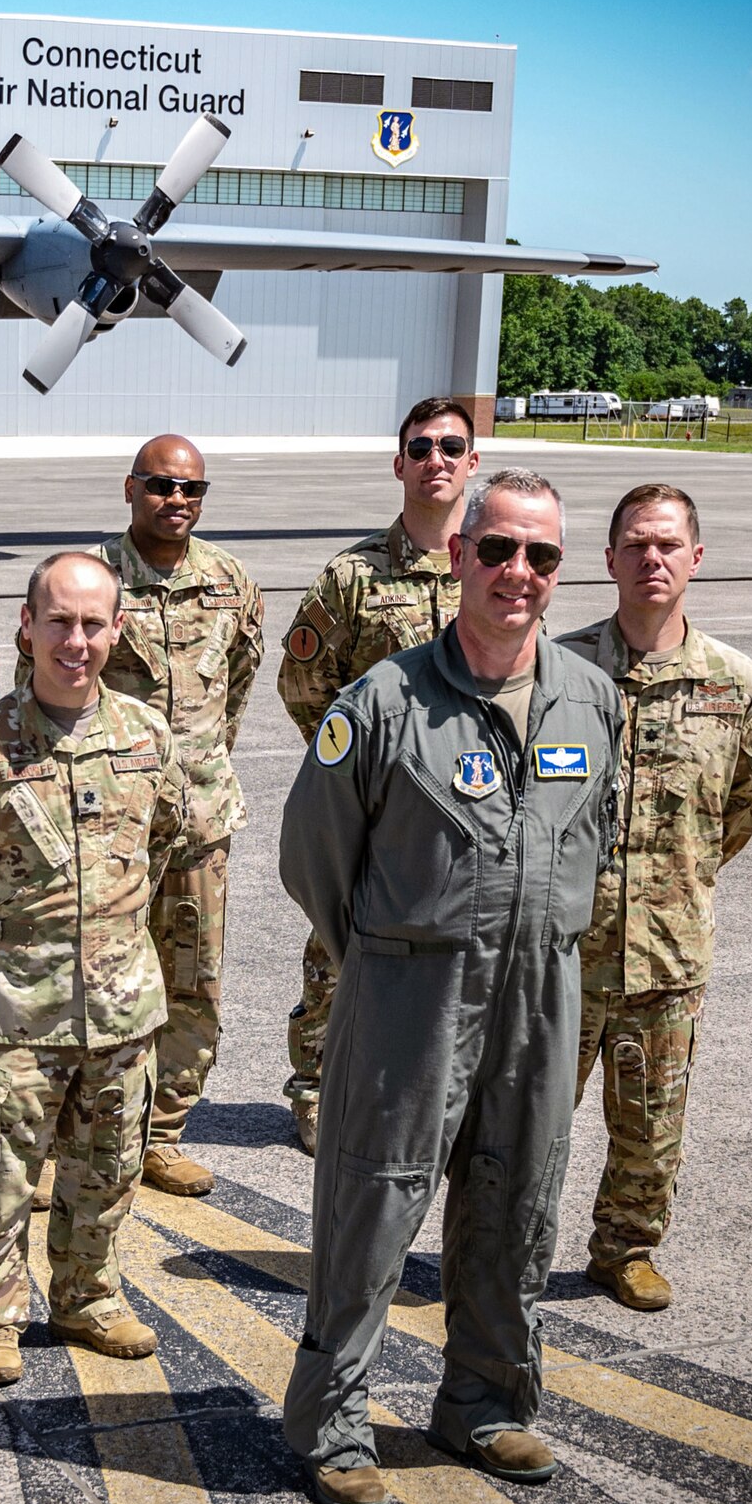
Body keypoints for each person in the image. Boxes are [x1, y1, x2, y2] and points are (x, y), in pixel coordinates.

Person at [278, 468, 621, 1504]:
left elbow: (592, 839)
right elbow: (313, 859)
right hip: (408, 995)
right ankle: (329, 1423)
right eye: (497, 549)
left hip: (537, 991)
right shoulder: (382, 703)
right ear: (460, 554)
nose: (516, 572)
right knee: (371, 1201)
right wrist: (393, 952)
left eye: (540, 556)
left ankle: (479, 1403)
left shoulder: (589, 697)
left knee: (516, 1198)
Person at [0, 552, 188, 1387]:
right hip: (19, 1012)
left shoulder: (147, 736)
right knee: (0, 1181)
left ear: (118, 630)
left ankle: (87, 1296)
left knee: (107, 1170)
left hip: (122, 1008)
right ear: (25, 626)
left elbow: (161, 844)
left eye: (93, 623)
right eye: (59, 621)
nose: (77, 640)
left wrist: (120, 948)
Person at [26, 433, 264, 1198]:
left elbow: (241, 679)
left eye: (193, 489)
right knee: (89, 985)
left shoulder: (230, 582)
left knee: (192, 982)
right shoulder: (93, 581)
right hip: (104, 831)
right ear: (129, 489)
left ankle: (161, 1133)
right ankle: (70, 1142)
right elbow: (44, 681)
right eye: (162, 486)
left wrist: (199, 771)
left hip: (198, 824)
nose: (178, 502)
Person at [560, 484, 752, 1311]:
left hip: (668, 950)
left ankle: (627, 1250)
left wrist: (669, 885)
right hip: (562, 952)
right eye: (636, 545)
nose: (652, 559)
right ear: (609, 559)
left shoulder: (734, 684)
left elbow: (742, 807)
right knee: (525, 1125)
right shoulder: (561, 668)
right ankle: (499, 1253)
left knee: (651, 1128)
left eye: (668, 545)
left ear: (695, 558)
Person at [276, 396, 473, 1154]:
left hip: (468, 806)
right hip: (374, 805)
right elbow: (303, 681)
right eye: (421, 448)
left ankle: (425, 1092)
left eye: (451, 448)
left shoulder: (490, 565)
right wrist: (357, 770)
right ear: (399, 464)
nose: (436, 461)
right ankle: (320, 1089)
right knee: (342, 946)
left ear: (471, 463)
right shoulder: (353, 576)